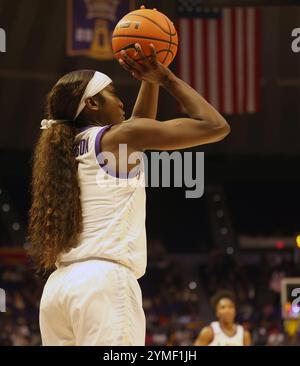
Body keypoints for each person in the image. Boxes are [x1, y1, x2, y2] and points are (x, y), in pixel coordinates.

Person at [27, 42, 230, 346]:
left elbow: (138, 128)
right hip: (104, 284)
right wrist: (166, 78)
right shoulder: (116, 138)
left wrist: (148, 79)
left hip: (59, 289)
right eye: (112, 94)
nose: (121, 102)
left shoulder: (63, 148)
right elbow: (214, 125)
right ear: (93, 105)